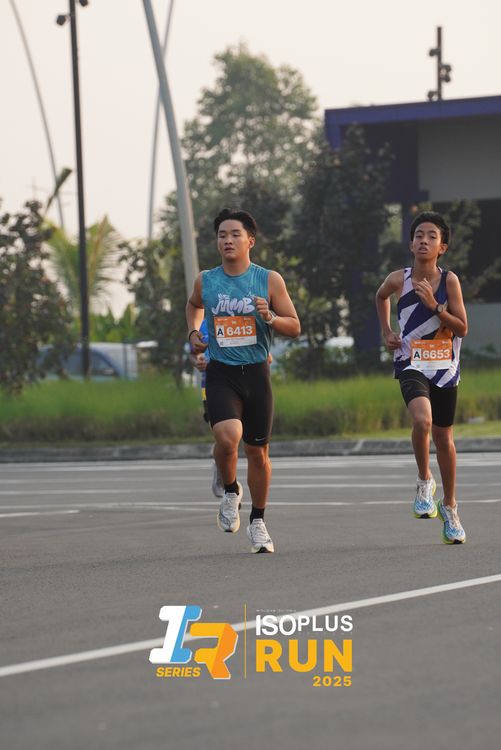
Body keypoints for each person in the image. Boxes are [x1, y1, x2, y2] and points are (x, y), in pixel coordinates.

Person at [186, 208, 300, 552]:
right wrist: (193, 333)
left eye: (235, 234)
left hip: (256, 374)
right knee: (228, 437)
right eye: (222, 235)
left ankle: (258, 522)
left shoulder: (269, 280)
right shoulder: (206, 281)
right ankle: (231, 489)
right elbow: (193, 306)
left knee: (258, 452)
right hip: (221, 372)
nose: (228, 240)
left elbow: (294, 326)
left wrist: (271, 317)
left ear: (250, 241)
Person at [375, 211, 468, 544]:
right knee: (422, 421)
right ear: (411, 243)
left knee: (444, 438)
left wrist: (435, 306)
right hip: (411, 362)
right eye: (418, 235)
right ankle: (424, 479)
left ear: (442, 247)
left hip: (444, 367)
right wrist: (387, 331)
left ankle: (450, 506)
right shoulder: (398, 280)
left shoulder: (449, 281)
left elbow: (462, 328)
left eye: (432, 236)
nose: (424, 241)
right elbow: (380, 296)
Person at [187, 319, 224, 498]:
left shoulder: (242, 311)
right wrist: (197, 362)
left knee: (238, 435)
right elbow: (192, 353)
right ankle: (224, 477)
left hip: (242, 383)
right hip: (211, 386)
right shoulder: (202, 322)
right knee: (223, 435)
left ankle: (222, 465)